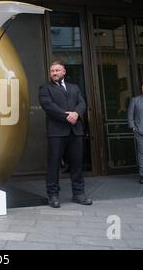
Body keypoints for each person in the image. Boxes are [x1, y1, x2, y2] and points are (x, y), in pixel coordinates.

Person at [38, 61, 92, 208]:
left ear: (64, 72)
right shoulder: (45, 88)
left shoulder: (74, 87)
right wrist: (67, 116)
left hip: (76, 131)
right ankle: (53, 195)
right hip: (57, 132)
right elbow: (48, 106)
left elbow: (82, 103)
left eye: (57, 70)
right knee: (54, 165)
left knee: (76, 164)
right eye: (52, 71)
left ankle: (79, 194)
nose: (54, 73)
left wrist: (76, 113)